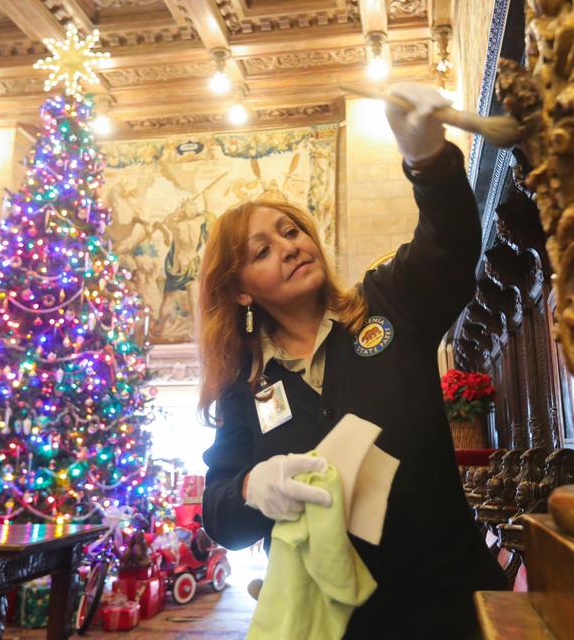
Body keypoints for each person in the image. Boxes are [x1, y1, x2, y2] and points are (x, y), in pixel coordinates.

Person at [197, 83, 507, 640]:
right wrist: (252, 487)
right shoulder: (244, 390)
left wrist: (427, 158)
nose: (290, 246)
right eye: (262, 251)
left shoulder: (386, 303)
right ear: (241, 292)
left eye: (291, 231)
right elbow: (221, 516)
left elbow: (451, 246)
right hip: (337, 623)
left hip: (452, 605)